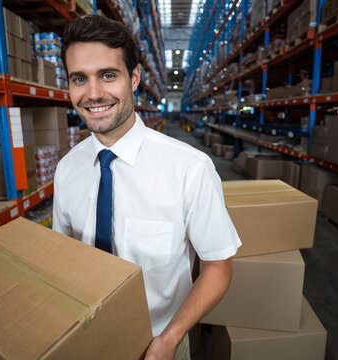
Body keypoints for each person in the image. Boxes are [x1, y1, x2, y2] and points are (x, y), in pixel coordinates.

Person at [53, 15, 241, 360]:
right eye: (79, 79)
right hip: (81, 340)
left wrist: (170, 339)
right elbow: (61, 259)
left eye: (108, 75)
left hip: (157, 344)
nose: (93, 94)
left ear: (134, 78)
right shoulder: (67, 170)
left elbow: (218, 266)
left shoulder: (189, 169)